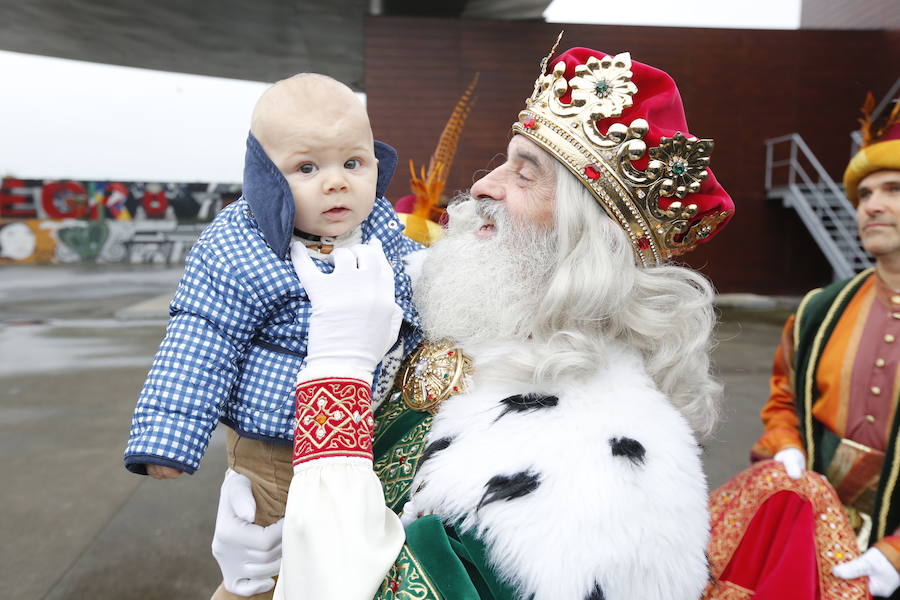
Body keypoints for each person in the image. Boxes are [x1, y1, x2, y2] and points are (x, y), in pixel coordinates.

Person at [216, 43, 735, 599]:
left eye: (526, 174)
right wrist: (273, 525)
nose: (486, 184)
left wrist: (337, 377)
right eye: (503, 160)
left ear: (589, 245)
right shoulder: (459, 313)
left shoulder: (600, 472)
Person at [122, 73, 422, 600]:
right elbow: (202, 336)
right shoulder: (243, 247)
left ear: (377, 162)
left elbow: (407, 305)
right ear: (265, 176)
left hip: (362, 433)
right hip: (277, 444)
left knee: (346, 557)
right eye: (306, 168)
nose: (336, 182)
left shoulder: (379, 228)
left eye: (352, 163)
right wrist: (166, 438)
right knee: (271, 562)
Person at [705, 98, 900, 599]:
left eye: (893, 190)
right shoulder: (820, 308)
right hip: (812, 530)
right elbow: (784, 400)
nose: (871, 205)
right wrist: (786, 444)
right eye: (864, 195)